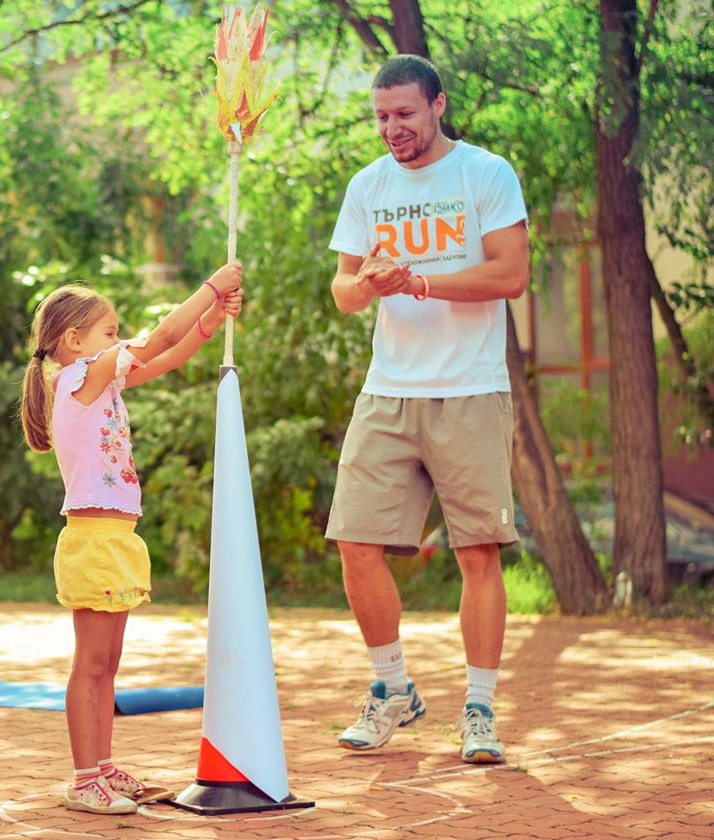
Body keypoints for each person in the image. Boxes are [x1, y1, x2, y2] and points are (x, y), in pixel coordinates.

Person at [325, 54, 529, 764]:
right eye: (382, 116)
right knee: (354, 544)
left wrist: (419, 282)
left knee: (477, 554)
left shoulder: (485, 173)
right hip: (389, 389)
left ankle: (478, 709)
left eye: (405, 114)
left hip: (471, 388)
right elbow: (344, 289)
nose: (392, 129)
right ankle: (392, 690)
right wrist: (373, 285)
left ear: (438, 105)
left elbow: (511, 273)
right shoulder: (368, 185)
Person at [18, 266, 243, 814]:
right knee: (90, 665)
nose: (119, 343)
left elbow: (168, 356)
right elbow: (158, 338)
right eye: (109, 333)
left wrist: (209, 324)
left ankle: (101, 766)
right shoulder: (76, 379)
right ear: (75, 341)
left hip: (118, 535)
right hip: (93, 540)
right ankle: (82, 779)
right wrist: (210, 288)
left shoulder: (104, 380)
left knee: (109, 664)